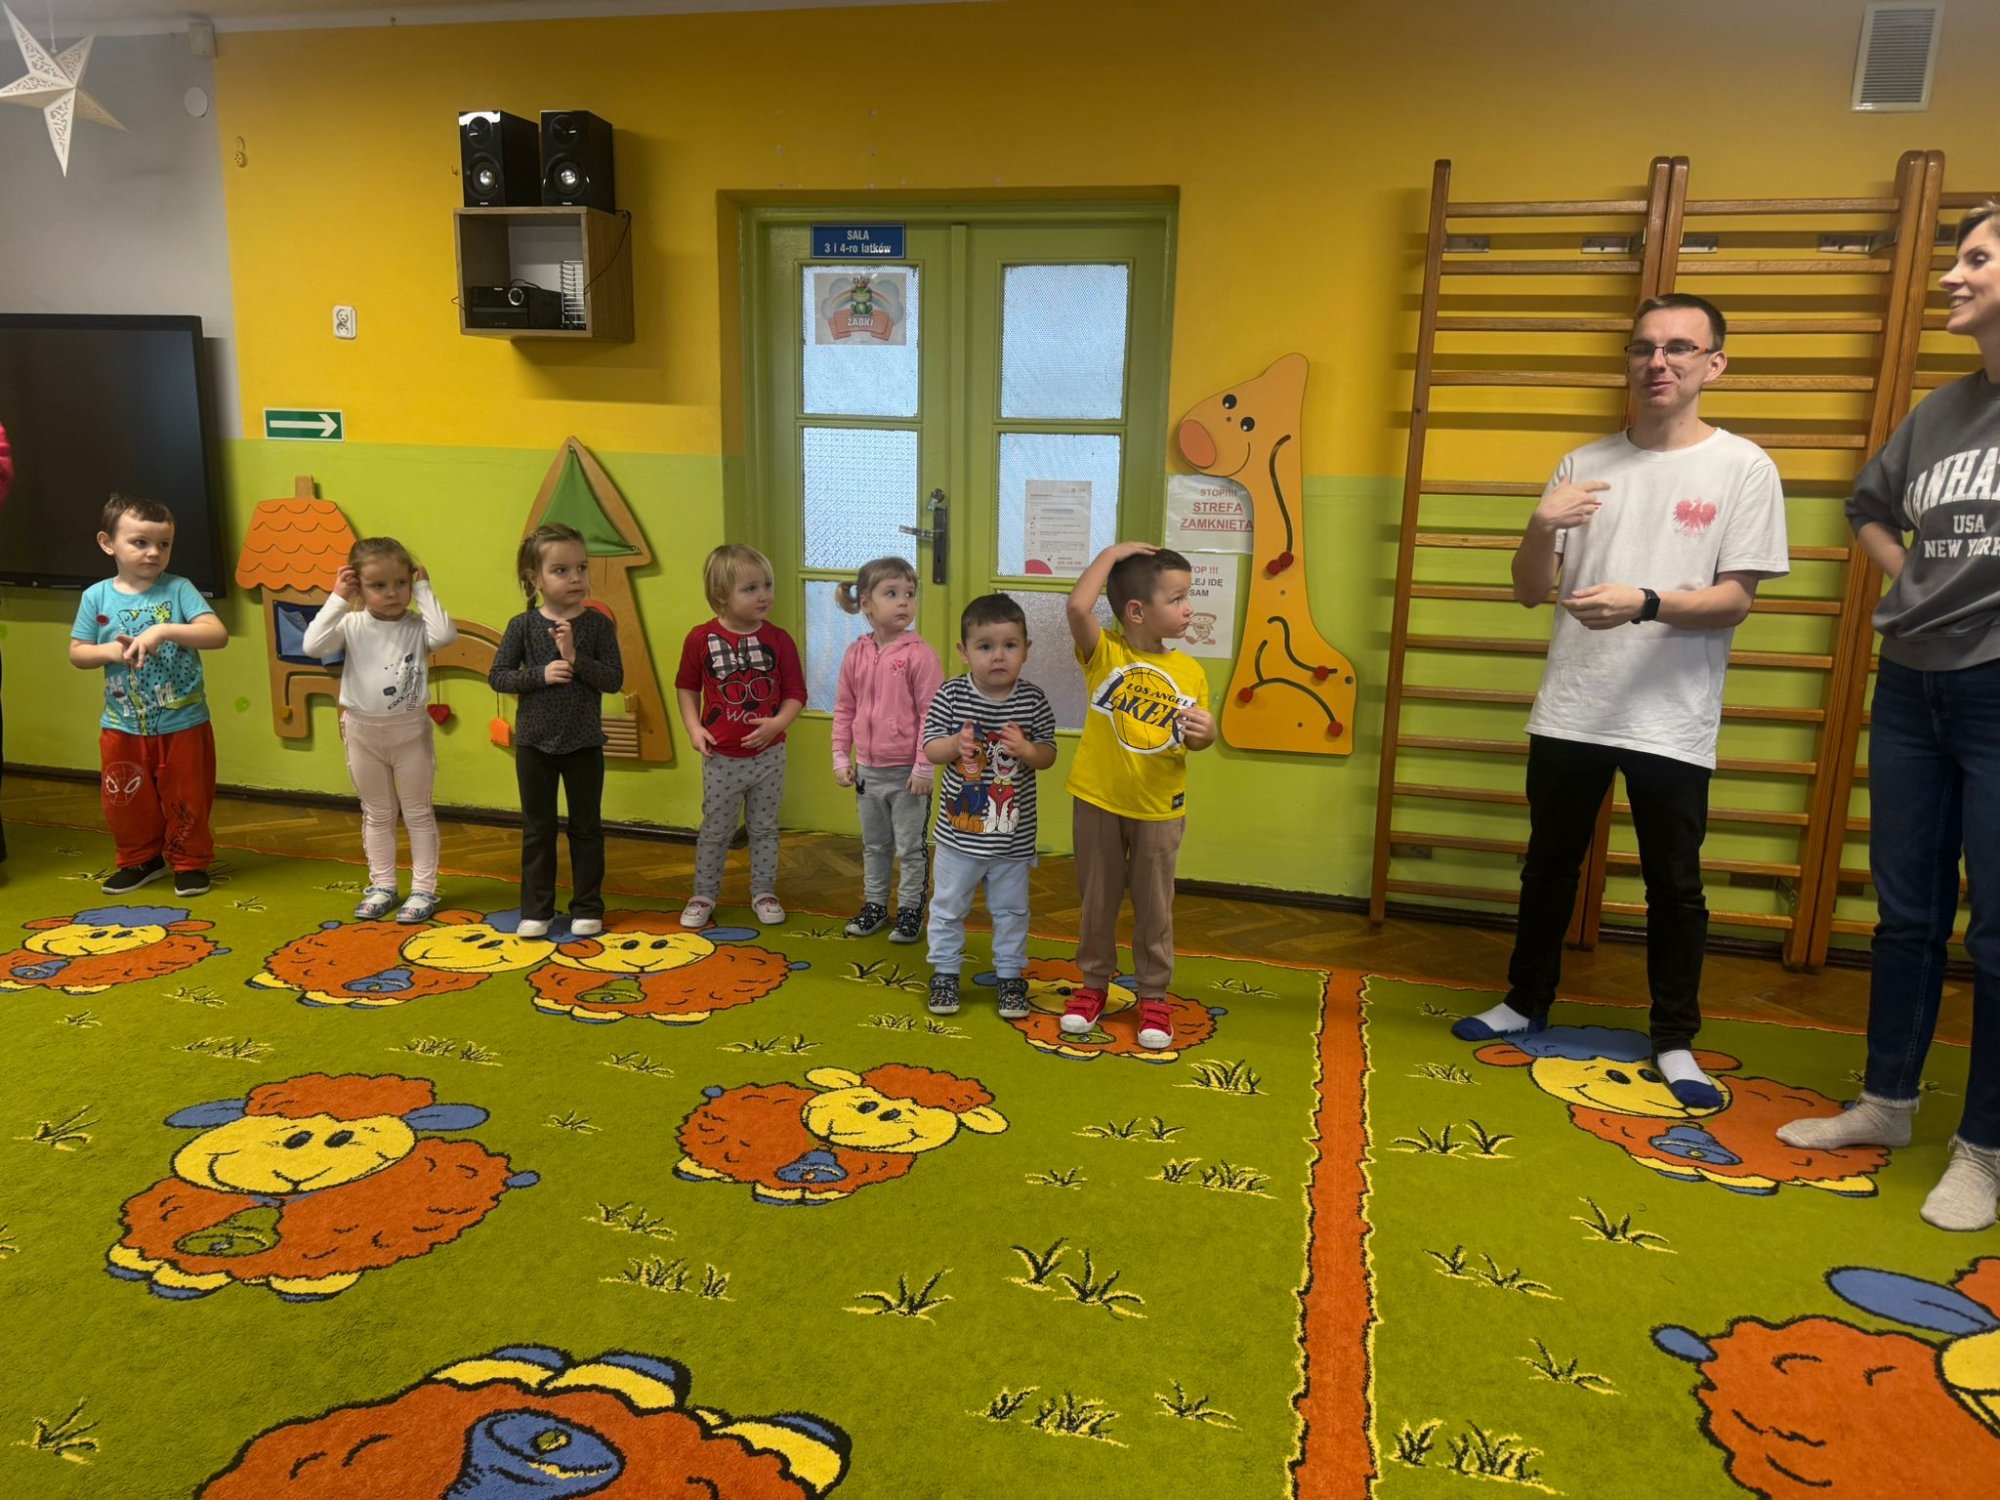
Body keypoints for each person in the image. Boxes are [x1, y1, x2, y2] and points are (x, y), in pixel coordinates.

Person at [1449, 293, 1789, 1112]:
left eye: (1679, 348)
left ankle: (1674, 1036)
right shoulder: (1582, 463)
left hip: (1671, 716)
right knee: (1548, 867)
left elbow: (1736, 600)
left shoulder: (1744, 467)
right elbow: (1529, 590)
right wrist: (1539, 526)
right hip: (1574, 704)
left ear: (1714, 364)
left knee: (1675, 884)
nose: (1657, 362)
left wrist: (1645, 601)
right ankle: (1525, 1000)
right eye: (1643, 348)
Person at [1777, 201, 2000, 1232]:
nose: (1952, 276)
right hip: (1911, 686)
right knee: (1906, 914)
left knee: (1996, 932)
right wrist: (1910, 580)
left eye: (1976, 258)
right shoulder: (1940, 410)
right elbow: (1866, 508)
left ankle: (1984, 1148)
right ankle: (1887, 1103)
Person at [1059, 542, 1216, 1049]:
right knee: (1097, 902)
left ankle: (1153, 995)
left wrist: (1207, 734)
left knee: (1154, 907)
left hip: (1159, 809)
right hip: (1098, 801)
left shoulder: (1191, 671)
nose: (1188, 608)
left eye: (1187, 596)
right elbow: (1077, 606)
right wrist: (1112, 553)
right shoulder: (1105, 654)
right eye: (1177, 598)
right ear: (1136, 611)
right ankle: (1093, 986)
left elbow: (1195, 739)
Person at [68, 494, 229, 895]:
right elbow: (78, 653)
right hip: (121, 725)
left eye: (164, 544)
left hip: (183, 724)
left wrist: (163, 630)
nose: (153, 552)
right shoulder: (96, 597)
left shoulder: (179, 590)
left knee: (187, 797)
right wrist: (111, 651)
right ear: (108, 543)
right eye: (140, 542)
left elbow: (216, 634)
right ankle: (140, 859)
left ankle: (189, 861)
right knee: (126, 801)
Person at [302, 536, 458, 923]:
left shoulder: (418, 627)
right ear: (359, 586)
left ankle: (423, 889)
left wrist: (424, 591)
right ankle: (383, 885)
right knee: (377, 813)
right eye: (378, 585)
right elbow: (313, 645)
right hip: (362, 733)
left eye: (400, 583)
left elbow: (445, 636)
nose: (391, 593)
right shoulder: (352, 624)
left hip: (410, 733)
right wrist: (338, 598)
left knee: (417, 812)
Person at [922, 594, 1057, 1018]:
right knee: (947, 908)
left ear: (1026, 649)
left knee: (1012, 911)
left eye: (1009, 645)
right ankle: (945, 972)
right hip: (958, 838)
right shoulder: (951, 694)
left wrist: (1027, 749)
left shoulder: (1032, 700)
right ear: (964, 652)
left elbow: (1048, 755)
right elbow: (930, 749)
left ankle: (1010, 976)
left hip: (1012, 841)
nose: (998, 656)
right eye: (985, 646)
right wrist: (953, 745)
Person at [489, 523, 623, 939]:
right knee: (538, 830)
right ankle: (536, 909)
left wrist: (575, 657)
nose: (575, 578)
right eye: (561, 570)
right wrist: (540, 674)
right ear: (535, 578)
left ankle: (587, 907)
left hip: (584, 745)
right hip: (535, 746)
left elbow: (613, 680)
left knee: (587, 829)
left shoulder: (597, 626)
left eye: (581, 567)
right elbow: (498, 676)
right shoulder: (522, 625)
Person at [675, 543, 805, 929]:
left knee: (764, 828)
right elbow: (686, 687)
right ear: (721, 596)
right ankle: (703, 894)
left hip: (769, 757)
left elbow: (796, 693)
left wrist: (777, 724)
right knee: (716, 829)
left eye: (767, 585)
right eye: (751, 588)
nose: (764, 595)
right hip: (721, 758)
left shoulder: (779, 640)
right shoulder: (700, 639)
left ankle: (763, 892)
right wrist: (694, 727)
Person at [831, 555, 943, 943]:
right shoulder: (855, 654)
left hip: (908, 775)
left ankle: (911, 911)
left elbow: (932, 714)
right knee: (875, 845)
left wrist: (924, 766)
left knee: (910, 848)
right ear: (866, 603)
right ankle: (875, 906)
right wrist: (840, 756)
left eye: (909, 593)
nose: (903, 602)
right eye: (891, 593)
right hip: (867, 772)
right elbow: (844, 708)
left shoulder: (920, 655)